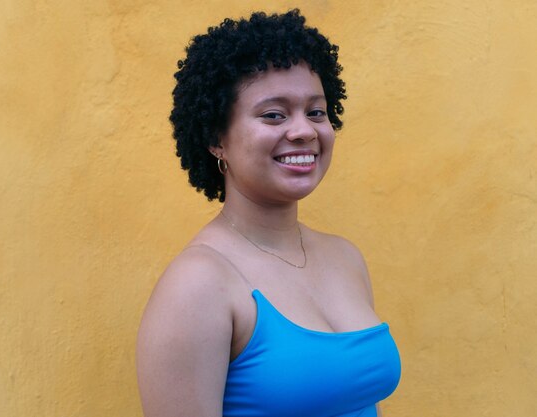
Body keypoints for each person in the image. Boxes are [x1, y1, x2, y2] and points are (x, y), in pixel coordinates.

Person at [137, 10, 401, 417]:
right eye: (274, 115)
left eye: (316, 112)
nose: (304, 131)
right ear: (215, 139)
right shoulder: (197, 285)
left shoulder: (344, 258)